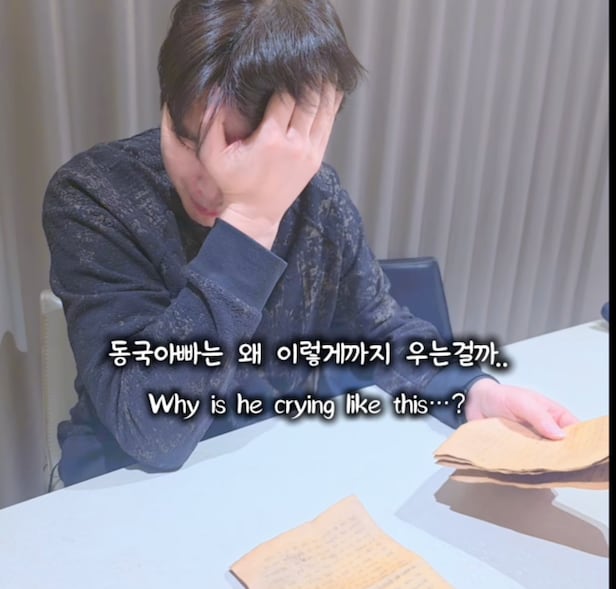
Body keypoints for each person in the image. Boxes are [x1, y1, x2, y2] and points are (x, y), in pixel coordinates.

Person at [43, 0, 577, 486]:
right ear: (164, 105)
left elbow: (380, 330)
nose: (211, 184)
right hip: (122, 486)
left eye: (244, 153)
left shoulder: (318, 198)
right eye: (187, 140)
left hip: (272, 469)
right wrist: (250, 219)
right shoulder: (95, 195)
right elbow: (151, 432)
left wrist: (474, 392)